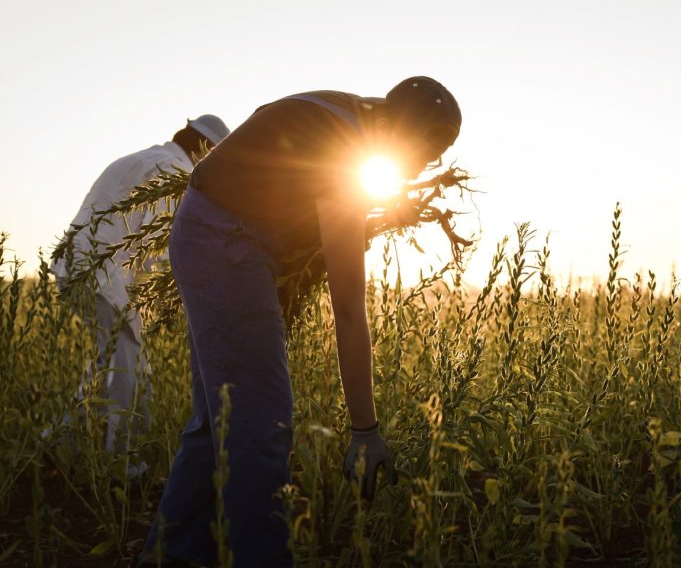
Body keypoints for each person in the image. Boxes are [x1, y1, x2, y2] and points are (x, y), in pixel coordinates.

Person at [138, 77, 462, 567]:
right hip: (225, 241)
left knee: (217, 422)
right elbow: (349, 311)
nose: (420, 167)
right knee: (261, 420)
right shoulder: (345, 158)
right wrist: (364, 431)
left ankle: (169, 555)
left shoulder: (352, 112)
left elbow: (274, 140)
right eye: (423, 152)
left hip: (209, 227)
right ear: (400, 131)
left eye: (432, 158)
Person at [51, 115, 231, 456]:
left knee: (111, 360)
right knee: (130, 363)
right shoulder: (174, 171)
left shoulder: (141, 159)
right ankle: (123, 462)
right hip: (103, 276)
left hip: (78, 267)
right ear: (204, 149)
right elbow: (157, 246)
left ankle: (62, 442)